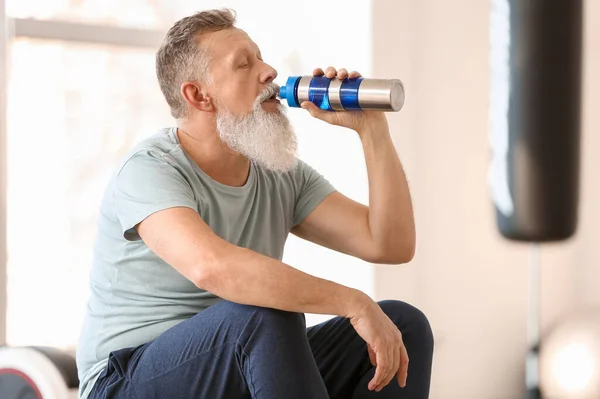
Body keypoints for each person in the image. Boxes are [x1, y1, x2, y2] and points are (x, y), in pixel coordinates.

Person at [76, 8, 433, 399]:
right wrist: (352, 302)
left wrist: (371, 130)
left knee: (403, 325)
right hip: (124, 380)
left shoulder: (280, 173)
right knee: (263, 311)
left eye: (261, 58)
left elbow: (389, 243)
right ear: (198, 95)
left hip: (238, 357)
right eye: (244, 64)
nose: (269, 72)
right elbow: (211, 268)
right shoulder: (148, 170)